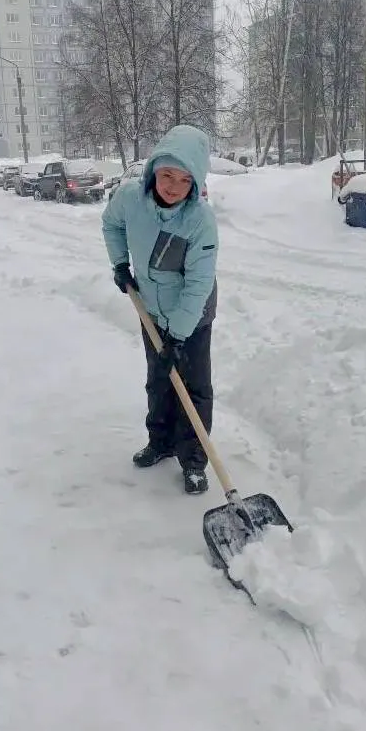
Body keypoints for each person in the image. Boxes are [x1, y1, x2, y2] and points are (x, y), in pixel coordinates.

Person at [101, 124, 218, 495]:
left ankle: (194, 460)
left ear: (195, 185)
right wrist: (120, 264)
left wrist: (178, 337)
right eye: (167, 174)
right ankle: (161, 443)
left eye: (184, 180)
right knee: (159, 381)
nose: (173, 186)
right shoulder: (129, 199)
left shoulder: (200, 221)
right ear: (153, 171)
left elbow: (198, 284)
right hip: (151, 309)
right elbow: (111, 225)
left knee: (193, 387)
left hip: (193, 316)